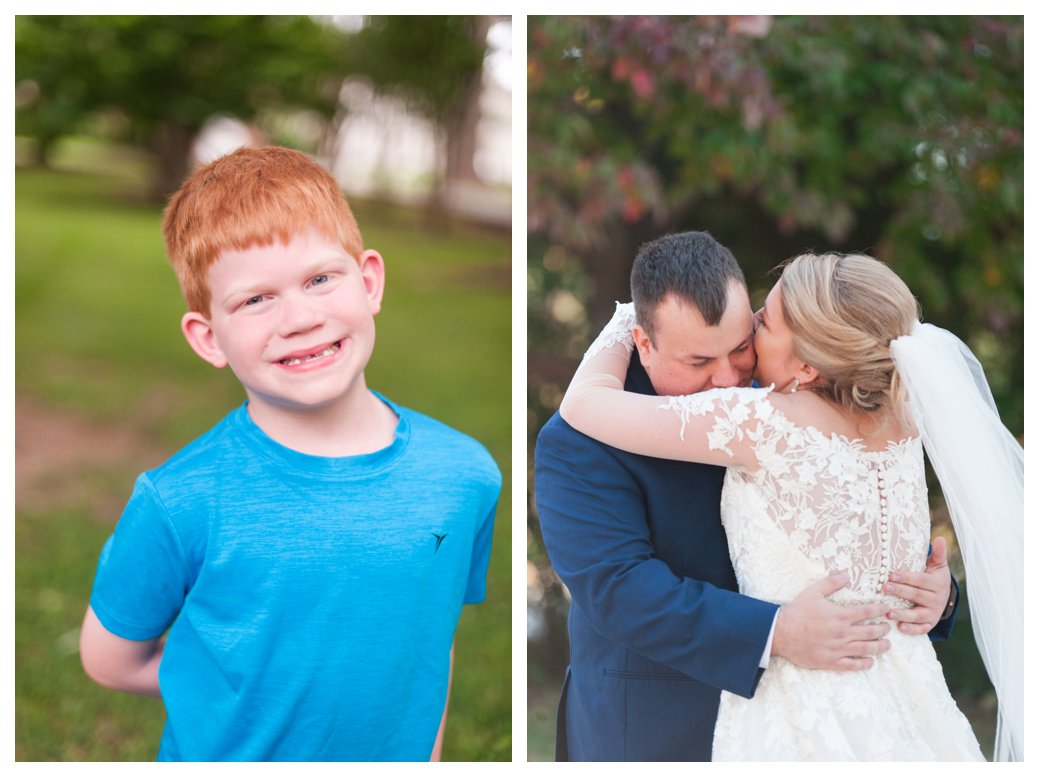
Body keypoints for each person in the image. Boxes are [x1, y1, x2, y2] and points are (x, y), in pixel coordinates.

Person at [78, 146, 502, 761]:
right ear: (208, 337)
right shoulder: (181, 500)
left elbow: (431, 638)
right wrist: (233, 686)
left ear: (370, 281)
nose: (300, 317)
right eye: (255, 299)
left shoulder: (464, 476)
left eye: (320, 279)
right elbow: (110, 661)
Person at [559, 248, 1022, 760]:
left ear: (807, 362)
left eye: (751, 334)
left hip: (828, 709)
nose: (728, 376)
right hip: (661, 731)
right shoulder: (901, 421)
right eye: (698, 360)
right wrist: (775, 631)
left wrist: (935, 594)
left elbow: (869, 545)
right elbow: (619, 590)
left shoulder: (762, 409)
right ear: (643, 341)